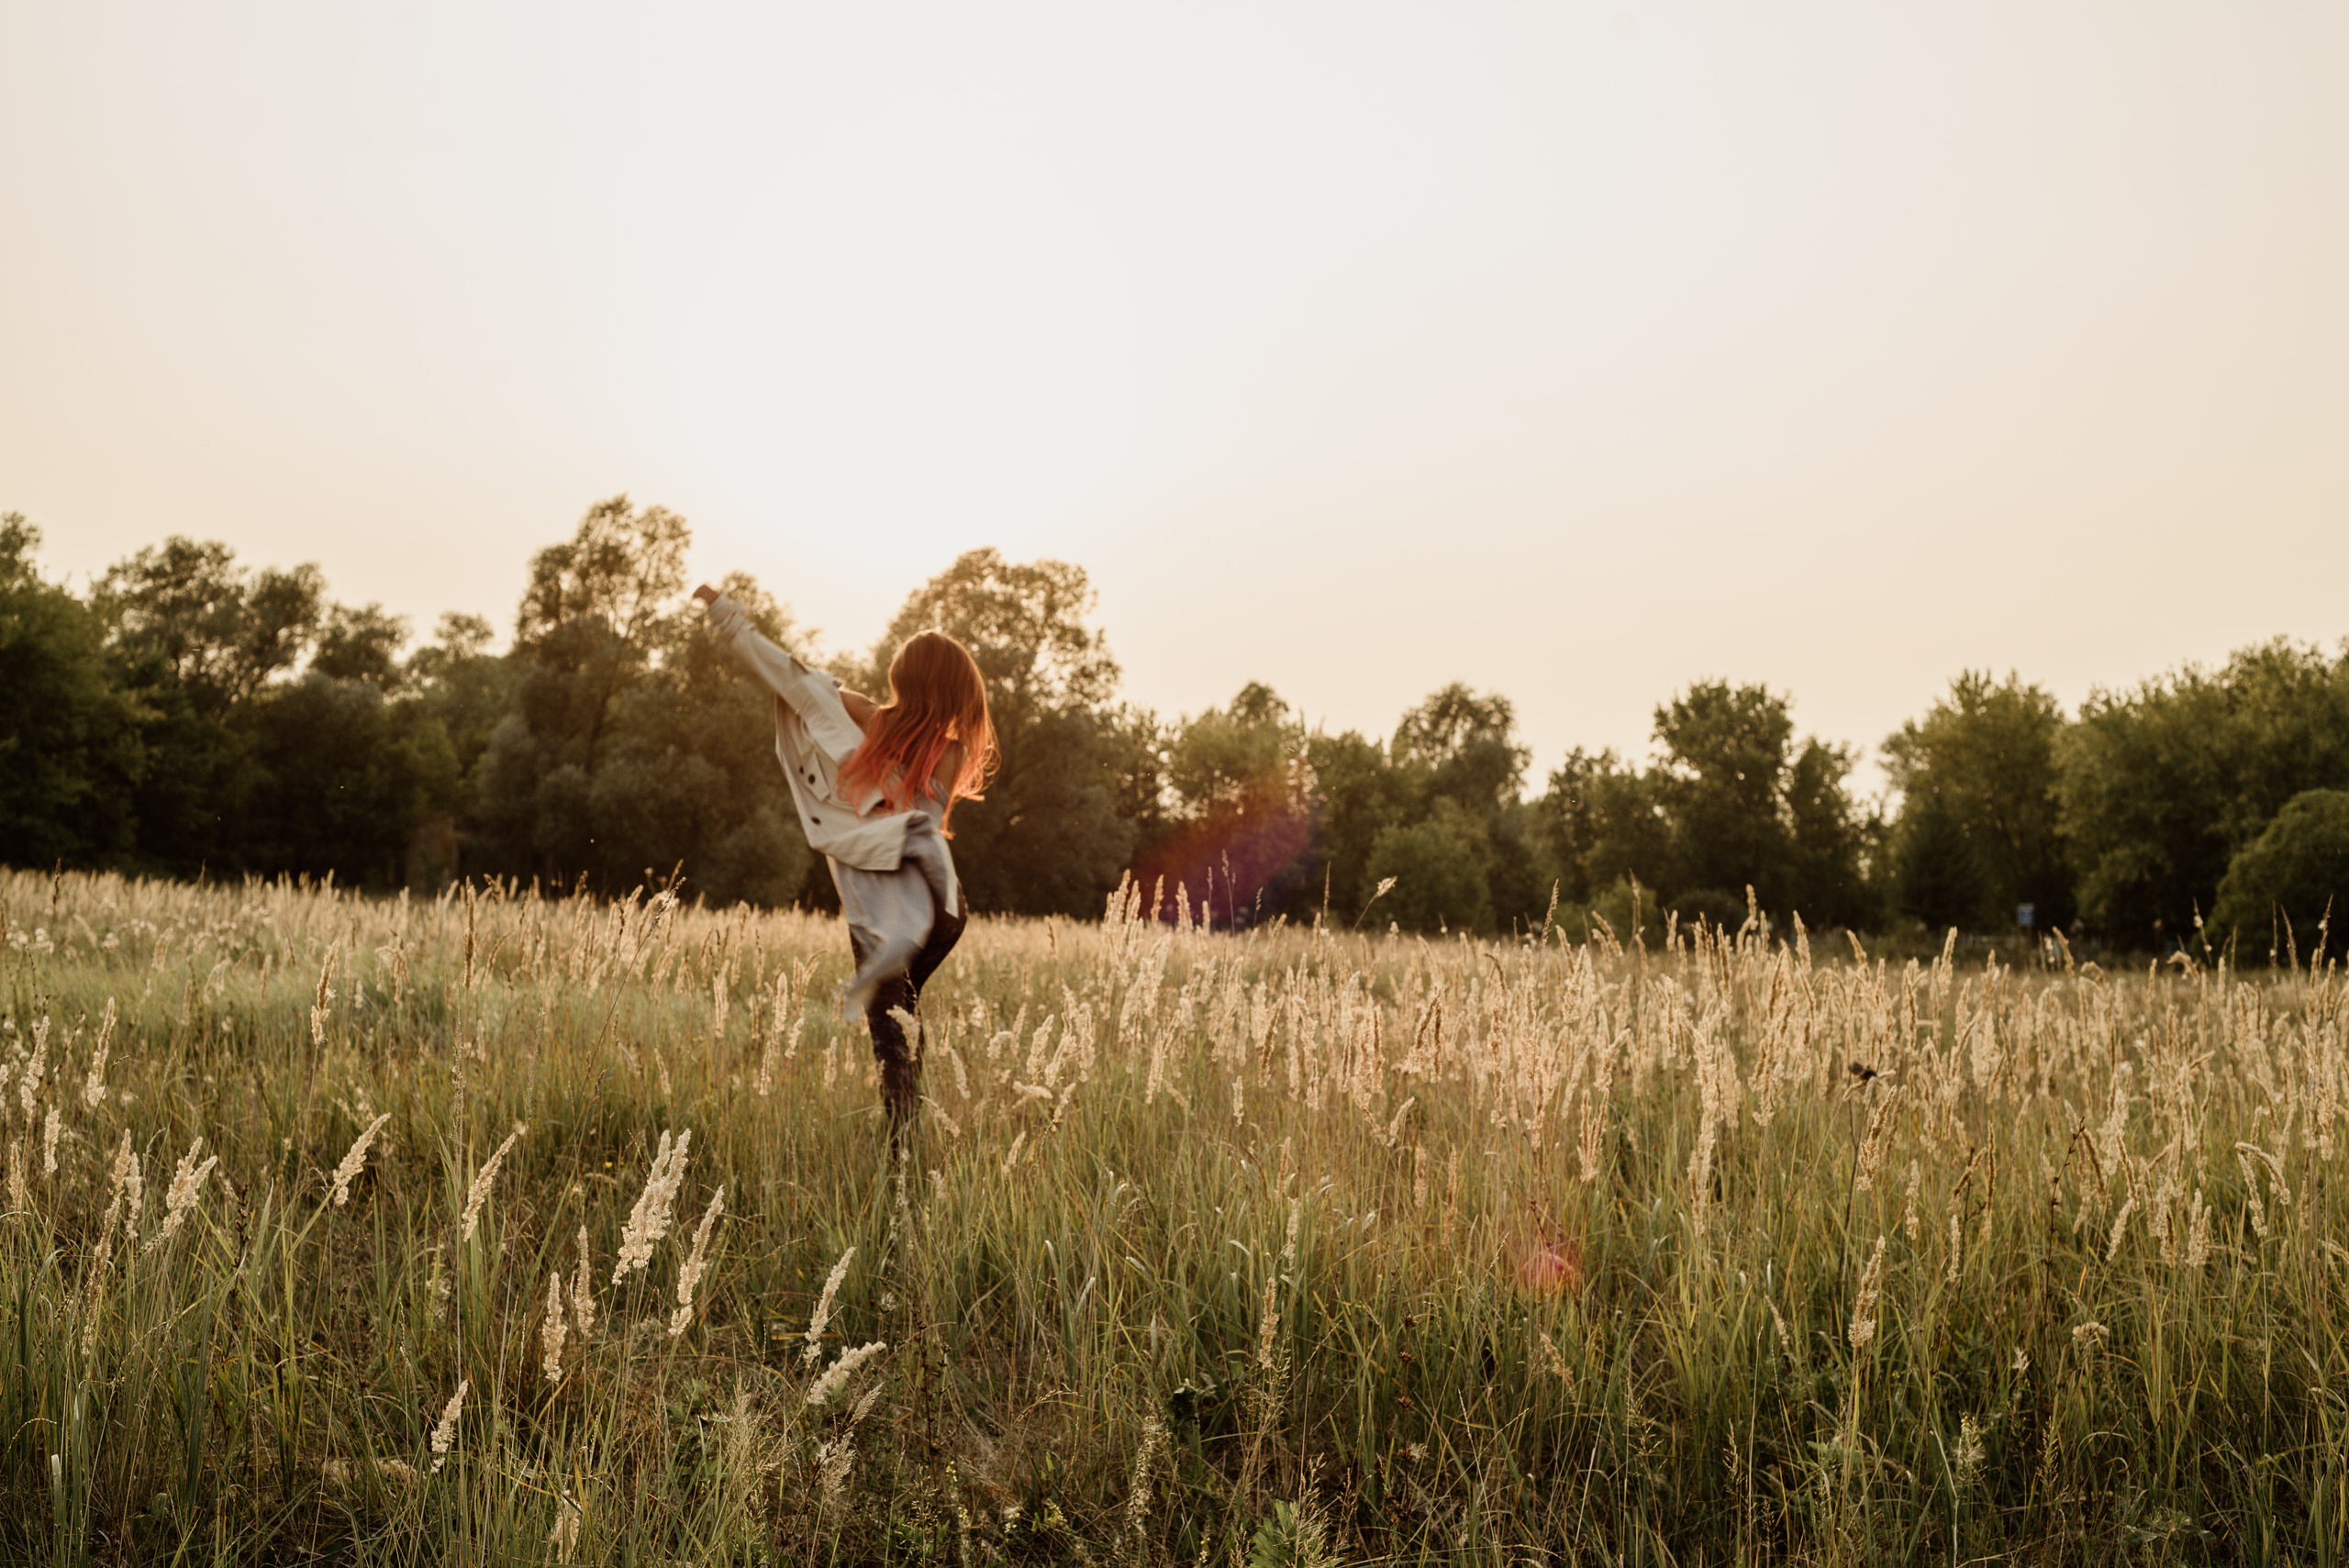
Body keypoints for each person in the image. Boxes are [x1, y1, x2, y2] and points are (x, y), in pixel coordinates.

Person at [693, 582, 996, 1142]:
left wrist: (727, 616)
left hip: (886, 912)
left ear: (902, 680)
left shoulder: (867, 718)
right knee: (903, 1008)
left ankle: (901, 1156)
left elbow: (793, 680)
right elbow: (926, 821)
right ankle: (908, 1135)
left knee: (889, 1025)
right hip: (946, 906)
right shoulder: (950, 754)